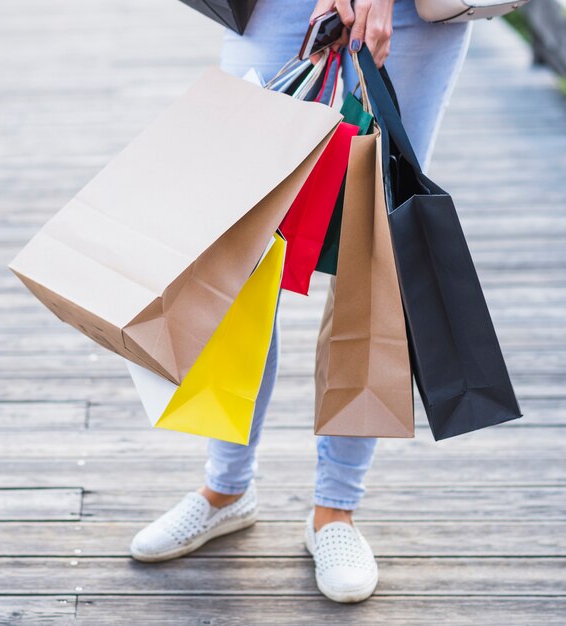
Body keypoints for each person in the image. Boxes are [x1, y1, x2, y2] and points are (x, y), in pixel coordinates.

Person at [130, 0, 471, 604]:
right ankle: (226, 488)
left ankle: (335, 510)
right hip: (275, 11)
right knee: (239, 245)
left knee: (375, 244)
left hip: (407, 14)